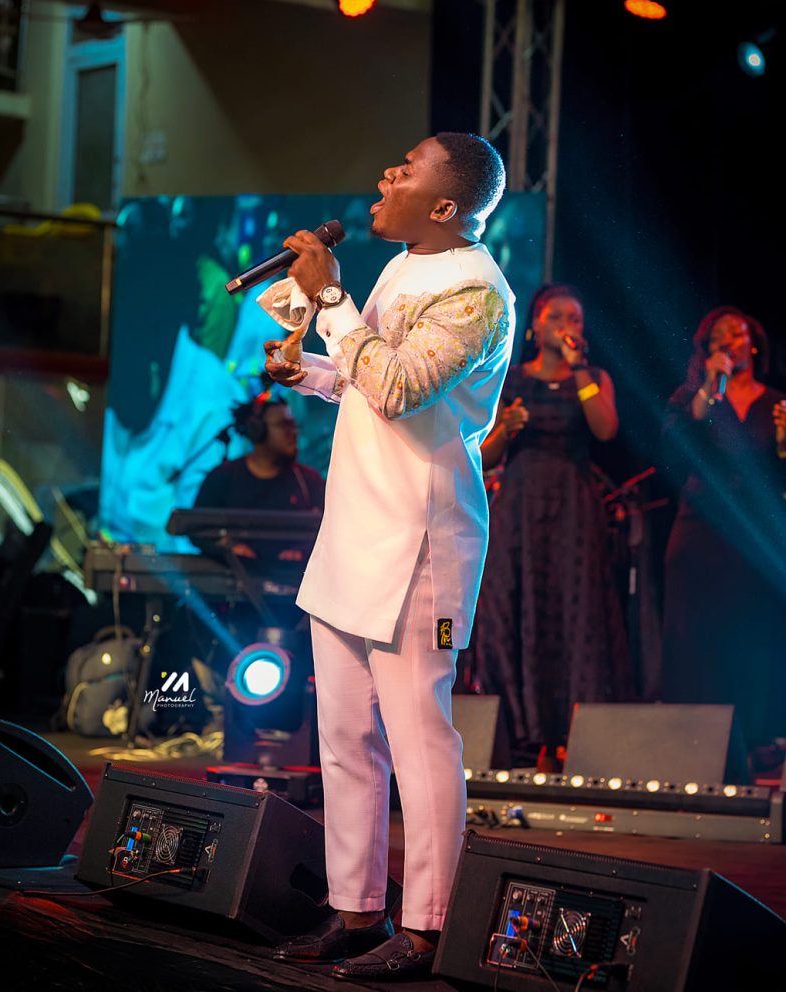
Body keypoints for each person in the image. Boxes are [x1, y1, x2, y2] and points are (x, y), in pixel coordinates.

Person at [262, 133, 514, 980]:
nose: (385, 176)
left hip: (420, 543)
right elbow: (369, 381)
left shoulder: (476, 292)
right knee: (343, 737)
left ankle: (431, 925)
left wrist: (331, 299)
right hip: (352, 532)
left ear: (444, 204)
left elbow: (403, 387)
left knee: (418, 740)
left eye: (405, 171)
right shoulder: (404, 265)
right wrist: (307, 371)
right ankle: (356, 909)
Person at [475, 283, 630, 765]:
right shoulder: (511, 379)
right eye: (557, 316)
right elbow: (484, 456)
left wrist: (580, 368)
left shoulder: (592, 377)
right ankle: (522, 733)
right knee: (513, 606)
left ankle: (571, 734)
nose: (568, 325)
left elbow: (605, 428)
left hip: (573, 510)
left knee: (574, 612)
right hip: (520, 508)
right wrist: (505, 428)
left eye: (575, 318)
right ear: (536, 325)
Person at [661, 307, 786, 755]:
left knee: (752, 627)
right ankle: (691, 738)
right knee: (696, 628)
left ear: (754, 343)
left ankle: (753, 740)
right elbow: (673, 450)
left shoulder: (775, 403)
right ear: (708, 349)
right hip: (702, 523)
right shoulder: (695, 396)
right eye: (720, 335)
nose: (731, 339)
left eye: (739, 332)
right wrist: (708, 390)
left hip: (754, 530)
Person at [194, 391, 325, 563]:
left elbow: (332, 531)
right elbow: (196, 529)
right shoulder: (222, 477)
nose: (293, 432)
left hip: (294, 576)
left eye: (294, 425)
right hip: (234, 576)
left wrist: (303, 552)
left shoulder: (310, 481)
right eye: (284, 425)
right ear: (257, 430)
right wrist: (225, 547)